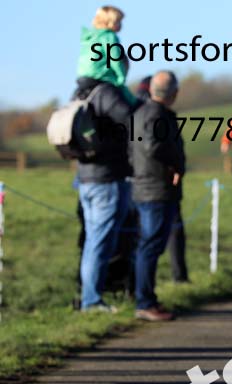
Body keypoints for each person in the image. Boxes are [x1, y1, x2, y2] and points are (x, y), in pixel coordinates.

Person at [74, 67, 135, 312]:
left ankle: (89, 295)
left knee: (92, 241)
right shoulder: (107, 92)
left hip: (85, 178)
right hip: (107, 179)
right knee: (101, 243)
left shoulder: (80, 92)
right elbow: (131, 119)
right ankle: (91, 300)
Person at [130, 71, 185, 321]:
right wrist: (175, 164)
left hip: (145, 184)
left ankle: (145, 298)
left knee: (149, 245)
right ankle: (145, 301)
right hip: (156, 187)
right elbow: (154, 146)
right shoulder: (157, 116)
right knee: (150, 245)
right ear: (173, 93)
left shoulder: (140, 113)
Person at [76, 6, 137, 106]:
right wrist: (121, 79)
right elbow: (115, 59)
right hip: (101, 77)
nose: (121, 25)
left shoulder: (90, 37)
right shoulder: (109, 36)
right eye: (118, 21)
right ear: (110, 22)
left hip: (82, 79)